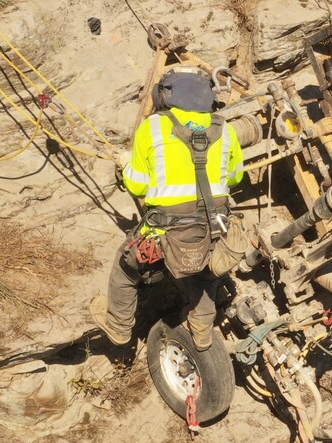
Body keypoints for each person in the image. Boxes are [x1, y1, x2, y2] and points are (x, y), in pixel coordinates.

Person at [91, 67, 245, 356]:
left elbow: (137, 185)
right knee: (204, 274)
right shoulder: (226, 128)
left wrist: (126, 162)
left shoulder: (153, 127)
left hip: (167, 232)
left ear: (165, 96)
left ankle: (119, 328)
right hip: (214, 229)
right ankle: (202, 331)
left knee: (126, 268)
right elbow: (236, 177)